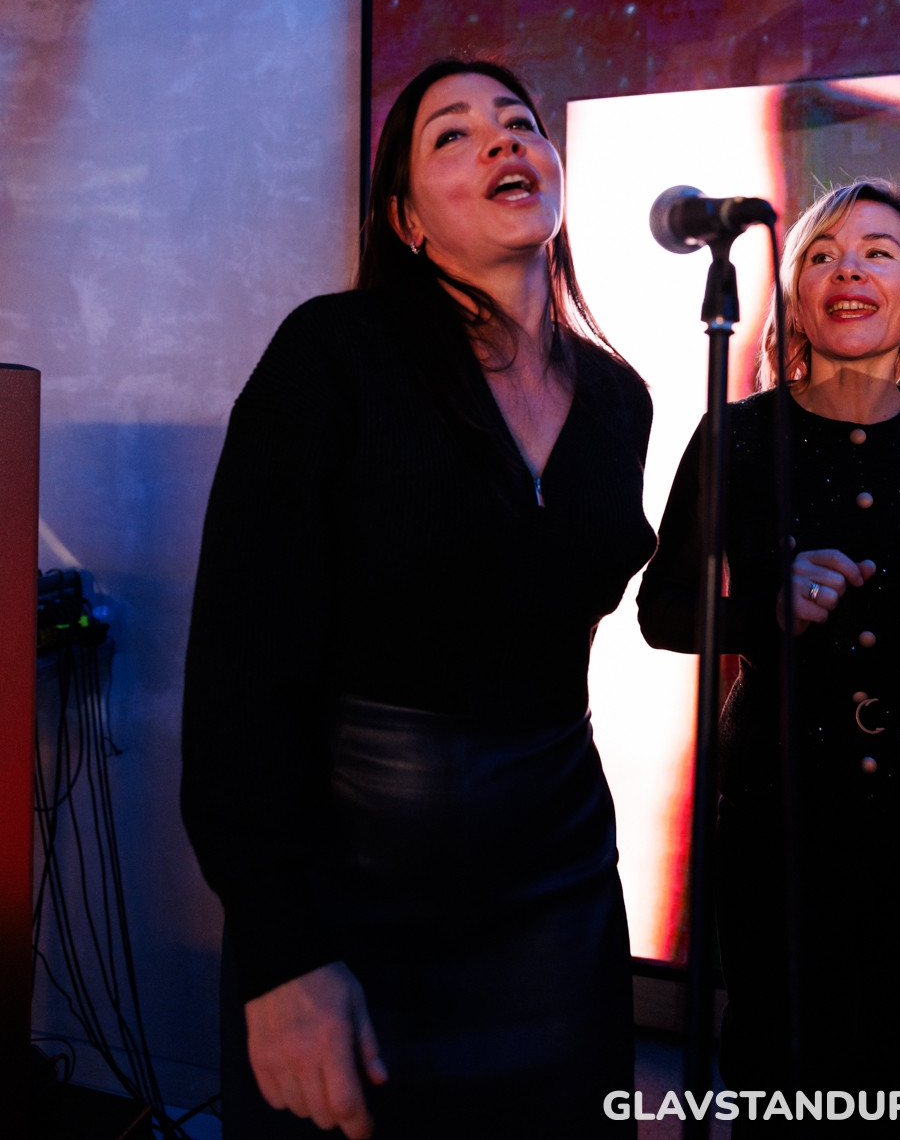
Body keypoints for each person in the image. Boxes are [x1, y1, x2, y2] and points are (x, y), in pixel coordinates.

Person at [181, 58, 656, 1138]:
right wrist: (283, 952)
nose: (501, 140)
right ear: (404, 220)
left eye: (518, 121)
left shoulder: (617, 398)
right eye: (452, 134)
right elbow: (239, 672)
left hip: (559, 890)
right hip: (355, 890)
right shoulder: (333, 355)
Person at [637, 179, 900, 1130]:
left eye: (878, 252)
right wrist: (766, 610)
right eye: (824, 253)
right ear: (796, 296)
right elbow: (662, 610)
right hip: (782, 815)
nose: (849, 270)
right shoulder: (737, 436)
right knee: (782, 1076)